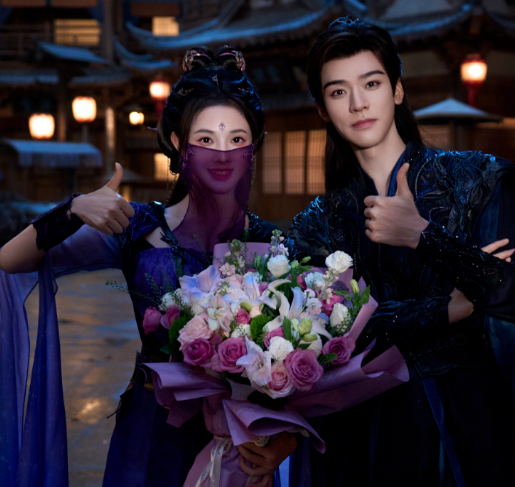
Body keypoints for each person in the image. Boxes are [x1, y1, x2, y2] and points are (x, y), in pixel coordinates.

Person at [0, 46, 295, 487]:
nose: (222, 155)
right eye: (205, 139)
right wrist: (74, 209)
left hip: (241, 435)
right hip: (152, 423)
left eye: (237, 139)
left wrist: (283, 440)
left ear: (255, 146)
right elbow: (10, 260)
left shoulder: (274, 244)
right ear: (178, 143)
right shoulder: (137, 226)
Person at [287, 17, 515, 487]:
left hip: (471, 422)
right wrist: (447, 309)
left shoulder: (476, 179)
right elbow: (331, 338)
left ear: (396, 90)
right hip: (363, 433)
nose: (357, 103)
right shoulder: (318, 222)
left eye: (371, 83)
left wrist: (422, 235)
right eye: (338, 92)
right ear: (322, 109)